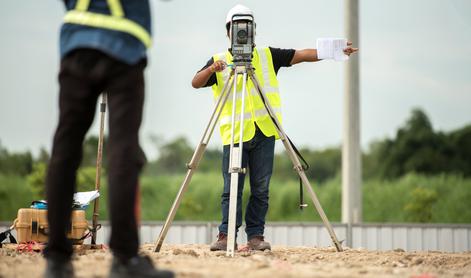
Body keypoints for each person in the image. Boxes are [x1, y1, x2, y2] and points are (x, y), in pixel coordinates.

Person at [191, 4, 358, 252]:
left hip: (265, 132)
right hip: (235, 135)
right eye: (237, 29)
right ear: (228, 31)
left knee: (261, 187)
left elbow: (301, 54)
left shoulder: (267, 56)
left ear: (253, 30)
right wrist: (211, 70)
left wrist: (334, 51)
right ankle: (226, 236)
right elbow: (196, 82)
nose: (242, 34)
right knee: (231, 188)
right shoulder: (219, 62)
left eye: (246, 29)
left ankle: (255, 237)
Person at [44, 1, 173, 277]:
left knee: (65, 150)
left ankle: (56, 260)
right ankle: (124, 259)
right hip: (125, 48)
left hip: (76, 41)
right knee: (124, 151)